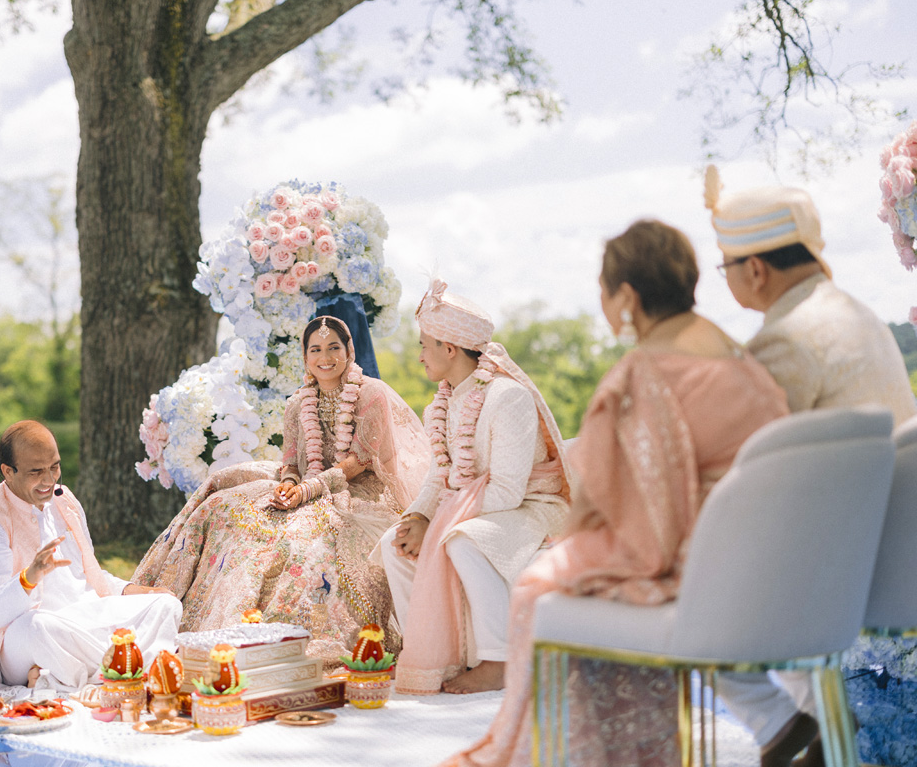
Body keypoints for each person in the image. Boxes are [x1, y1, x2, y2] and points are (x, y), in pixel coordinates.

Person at [445, 220, 789, 767]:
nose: (603, 303)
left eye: (602, 290)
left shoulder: (640, 376)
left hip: (695, 568)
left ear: (626, 295)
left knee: (538, 587)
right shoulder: (743, 361)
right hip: (762, 561)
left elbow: (604, 506)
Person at [706, 165, 917, 767]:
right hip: (883, 551)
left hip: (829, 573)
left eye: (724, 267)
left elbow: (742, 472)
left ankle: (789, 723)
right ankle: (813, 726)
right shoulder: (857, 315)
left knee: (672, 569)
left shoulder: (786, 339)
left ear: (754, 269)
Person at [132, 315, 431, 664]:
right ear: (305, 357)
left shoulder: (370, 393)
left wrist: (308, 491)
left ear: (349, 350)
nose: (326, 357)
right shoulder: (296, 403)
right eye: (315, 349)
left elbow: (360, 461)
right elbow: (289, 461)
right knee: (225, 505)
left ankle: (290, 639)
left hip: (358, 492)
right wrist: (288, 485)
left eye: (334, 347)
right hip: (306, 484)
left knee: (301, 535)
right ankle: (183, 608)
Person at [380, 279, 572, 695]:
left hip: (532, 509)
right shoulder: (443, 403)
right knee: (390, 543)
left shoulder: (507, 397)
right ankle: (433, 658)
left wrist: (435, 526)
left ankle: (498, 660)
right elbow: (440, 476)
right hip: (475, 506)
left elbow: (507, 492)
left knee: (462, 541)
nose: (419, 356)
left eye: (424, 345)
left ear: (449, 348)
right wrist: (416, 517)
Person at [0, 420, 182, 693]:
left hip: (84, 621)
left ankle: (94, 675)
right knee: (37, 626)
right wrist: (29, 578)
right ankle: (128, 670)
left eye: (55, 467)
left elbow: (90, 577)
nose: (50, 480)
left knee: (165, 605)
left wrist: (137, 591)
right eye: (36, 471)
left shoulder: (65, 502)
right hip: (25, 640)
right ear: (8, 471)